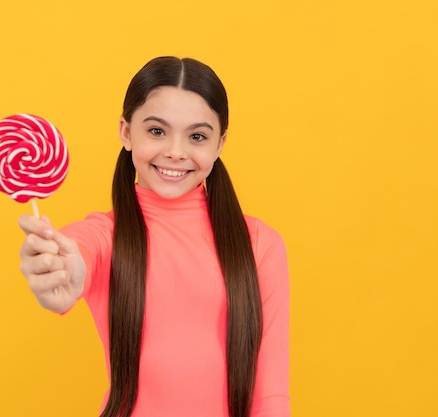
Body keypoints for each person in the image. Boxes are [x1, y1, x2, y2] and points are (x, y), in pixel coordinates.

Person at [18, 56, 290, 417]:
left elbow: (270, 395)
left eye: (197, 136)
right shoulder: (106, 235)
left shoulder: (260, 244)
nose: (175, 152)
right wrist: (59, 269)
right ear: (126, 132)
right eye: (157, 131)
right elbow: (78, 249)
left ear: (220, 144)